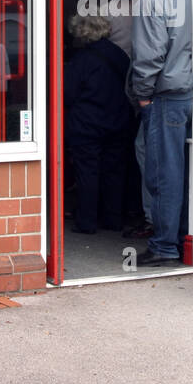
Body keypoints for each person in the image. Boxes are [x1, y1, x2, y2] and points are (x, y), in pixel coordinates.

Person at [130, 0, 193, 266]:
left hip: (165, 100)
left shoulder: (153, 0)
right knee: (189, 173)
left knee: (164, 174)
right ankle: (185, 241)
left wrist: (142, 98)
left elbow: (148, 56)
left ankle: (165, 246)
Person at [64, 14, 133, 234]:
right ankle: (112, 219)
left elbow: (67, 93)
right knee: (114, 172)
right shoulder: (119, 55)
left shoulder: (81, 60)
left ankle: (87, 222)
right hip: (118, 121)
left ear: (81, 33)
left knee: (88, 172)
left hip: (87, 125)